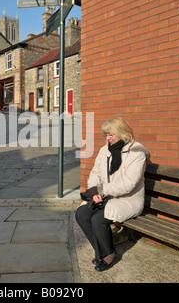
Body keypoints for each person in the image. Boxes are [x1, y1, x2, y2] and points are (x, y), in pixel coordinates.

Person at [75, 116, 150, 272]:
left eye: (110, 134)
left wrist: (102, 190)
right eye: (105, 135)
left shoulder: (137, 153)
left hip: (128, 200)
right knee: (82, 213)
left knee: (97, 220)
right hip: (107, 196)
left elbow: (129, 184)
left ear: (121, 132)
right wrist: (94, 191)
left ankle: (108, 254)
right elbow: (95, 173)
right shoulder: (105, 151)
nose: (107, 138)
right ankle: (100, 250)